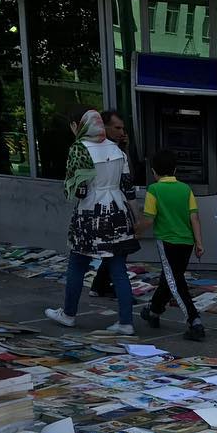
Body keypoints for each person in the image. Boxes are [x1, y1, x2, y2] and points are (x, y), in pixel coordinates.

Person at [46, 108, 138, 334]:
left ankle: (68, 314)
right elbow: (128, 187)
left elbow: (79, 190)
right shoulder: (117, 150)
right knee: (118, 268)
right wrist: (135, 217)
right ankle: (126, 321)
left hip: (90, 212)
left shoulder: (79, 149)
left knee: (77, 264)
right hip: (117, 210)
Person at [137, 149, 206, 341]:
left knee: (175, 282)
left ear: (153, 171)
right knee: (170, 278)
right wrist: (199, 242)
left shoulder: (154, 190)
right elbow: (194, 217)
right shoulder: (185, 189)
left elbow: (149, 219)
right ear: (175, 169)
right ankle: (153, 311)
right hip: (187, 242)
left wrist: (136, 231)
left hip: (167, 241)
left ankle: (194, 321)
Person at [89, 110, 133, 299]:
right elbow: (127, 183)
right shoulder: (105, 152)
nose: (121, 131)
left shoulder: (117, 151)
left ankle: (99, 284)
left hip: (105, 206)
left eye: (123, 128)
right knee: (118, 252)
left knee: (114, 251)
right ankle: (115, 294)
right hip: (110, 208)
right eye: (117, 128)